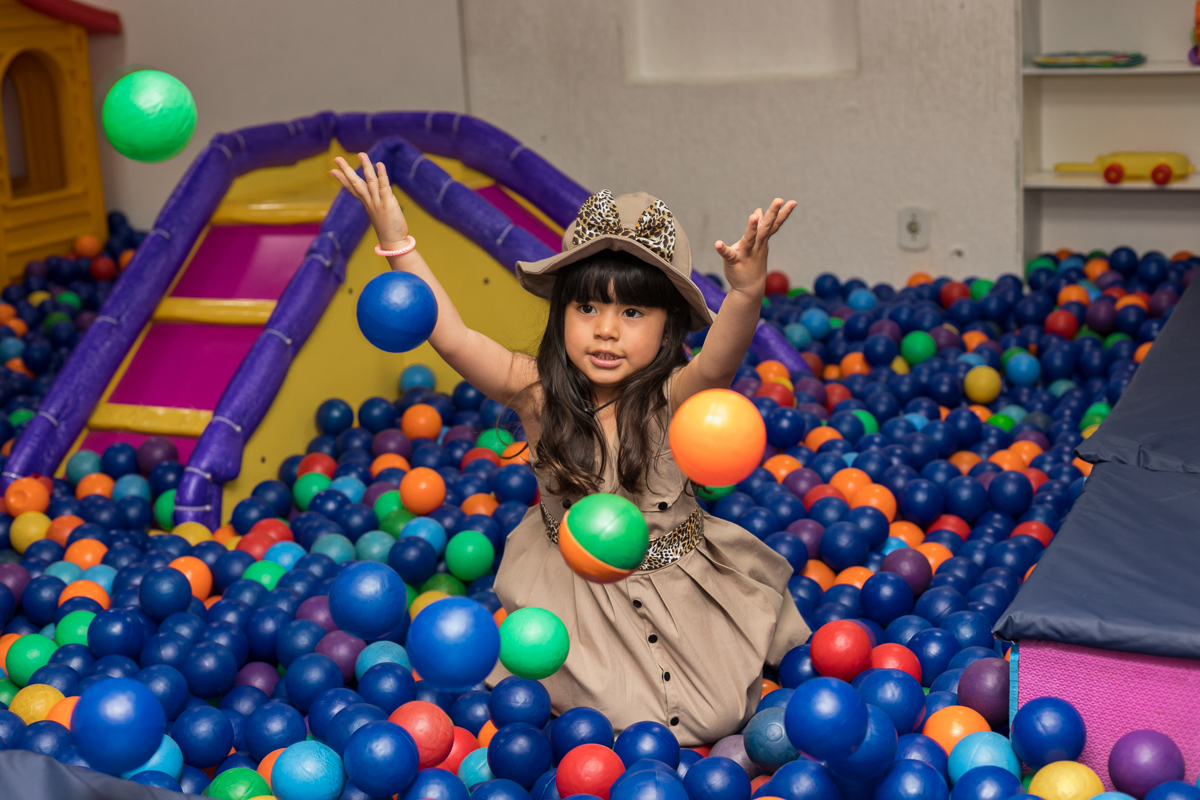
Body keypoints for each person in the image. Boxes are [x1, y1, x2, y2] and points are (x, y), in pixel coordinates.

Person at [332, 154, 810, 745]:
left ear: (668, 326)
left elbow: (718, 361)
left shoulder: (673, 396)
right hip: (578, 599)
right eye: (587, 308)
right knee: (608, 722)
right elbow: (451, 336)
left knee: (717, 715)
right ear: (562, 314)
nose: (606, 329)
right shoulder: (537, 392)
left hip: (677, 582)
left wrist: (746, 290)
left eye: (631, 312)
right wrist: (397, 242)